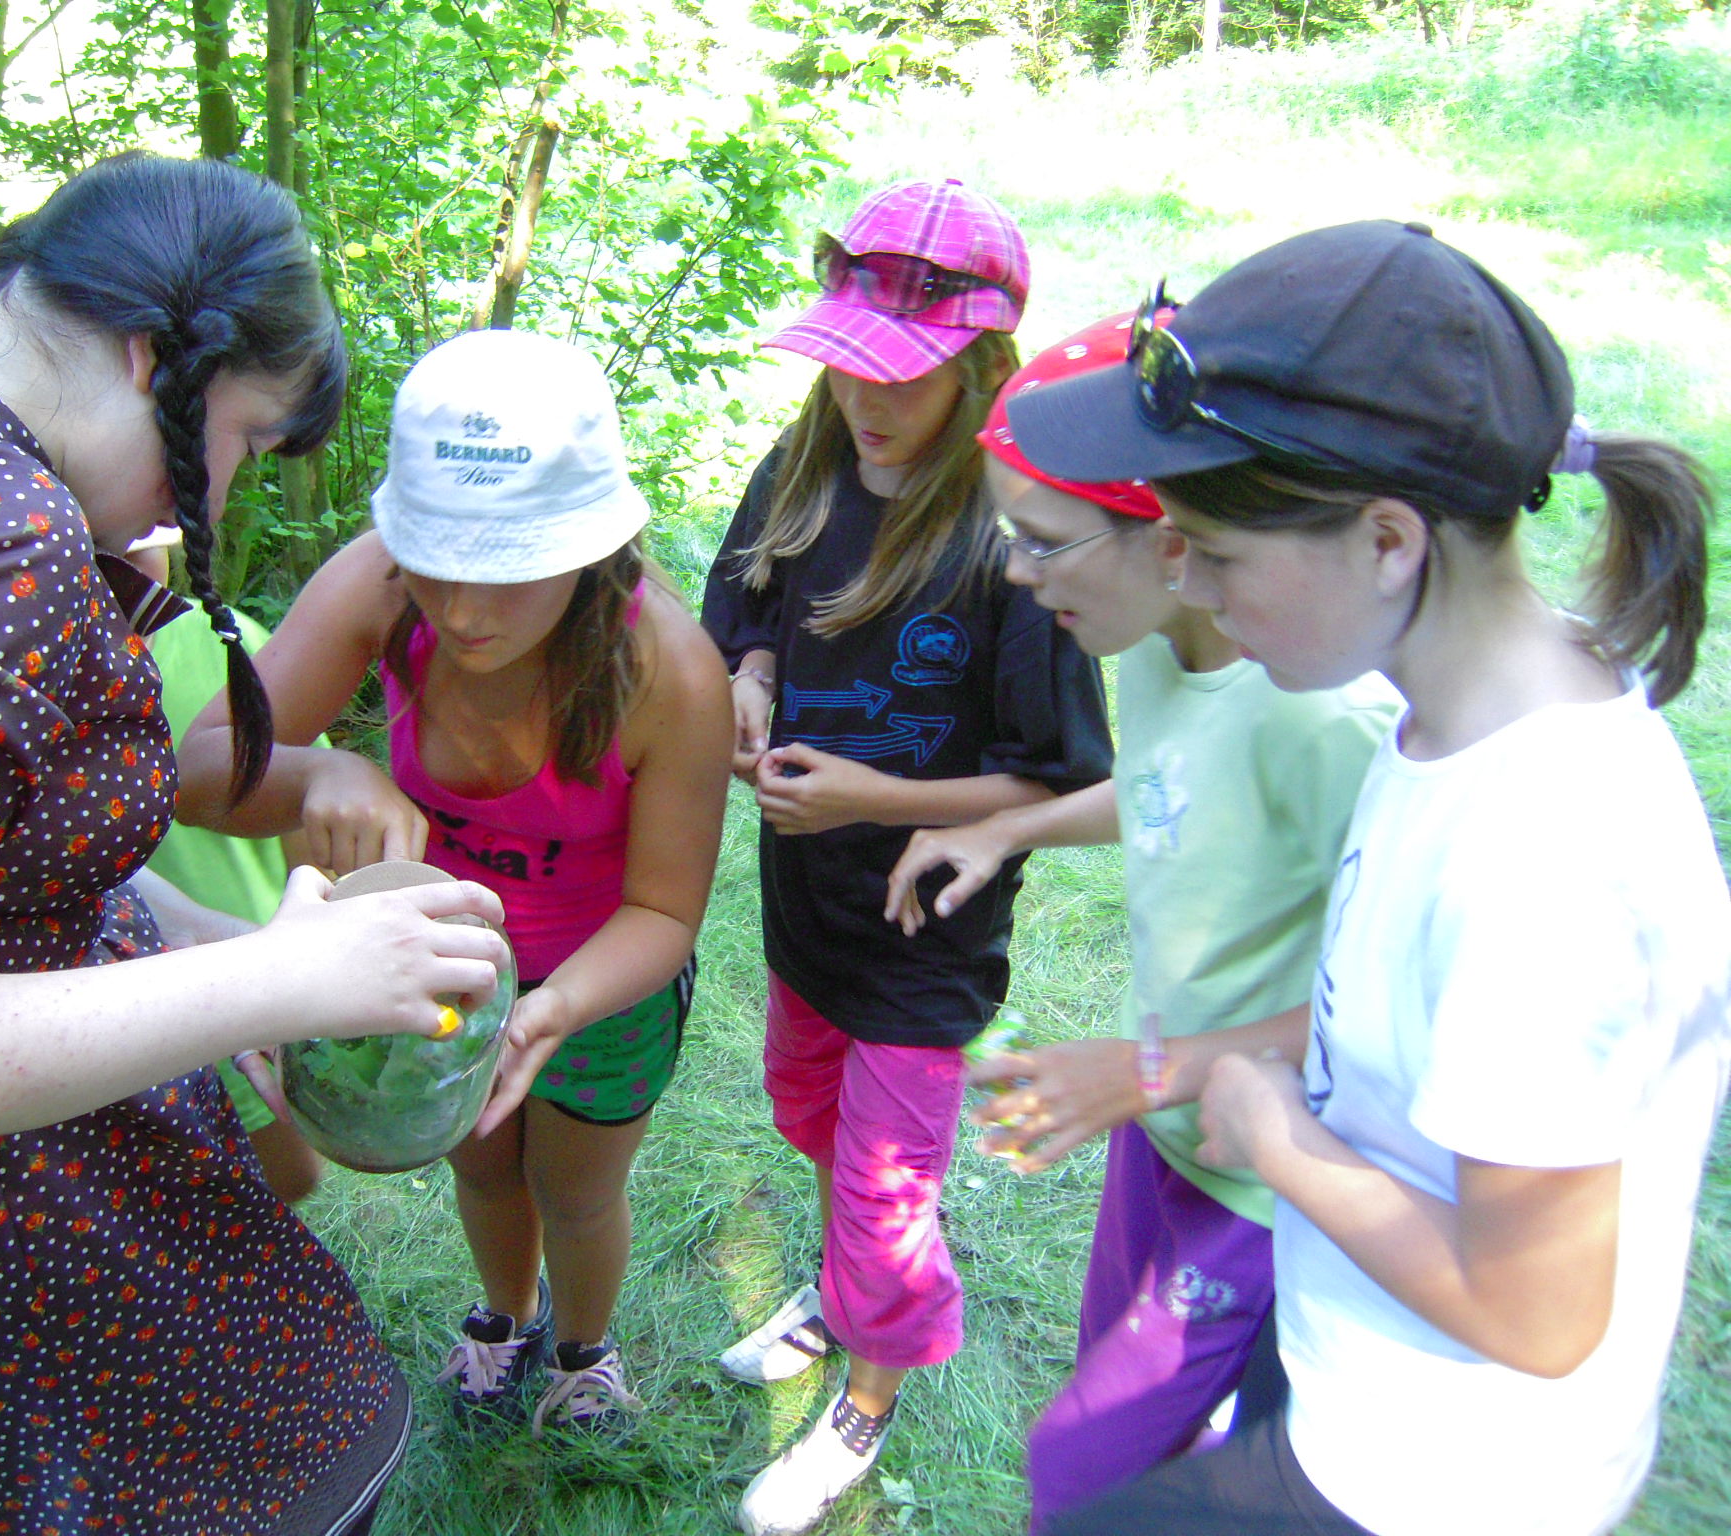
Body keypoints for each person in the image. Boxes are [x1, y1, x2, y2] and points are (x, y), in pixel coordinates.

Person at [0, 153, 511, 1536]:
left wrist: (222, 950)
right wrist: (273, 982)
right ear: (151, 358)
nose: (204, 507)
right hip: (9, 1215)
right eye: (241, 439)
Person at [1003, 220, 1729, 1536]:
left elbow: (1537, 1314)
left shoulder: (1543, 868)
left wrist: (1278, 1137)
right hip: (1349, 1370)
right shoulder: (1455, 704)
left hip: (1435, 1478)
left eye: (1218, 555)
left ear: (1389, 541)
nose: (1194, 591)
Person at [882, 313, 1398, 1528]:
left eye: (1042, 543)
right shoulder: (1160, 640)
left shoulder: (1321, 721)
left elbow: (1386, 1004)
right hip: (1155, 1132)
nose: (1018, 575)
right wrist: (1009, 827)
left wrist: (1145, 1068)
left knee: (1078, 1471)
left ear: (1169, 541)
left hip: (1267, 1178)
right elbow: (1170, 786)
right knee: (1105, 1398)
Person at [176, 327, 732, 1432]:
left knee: (578, 1190)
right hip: (445, 965)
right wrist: (320, 770)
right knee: (480, 1170)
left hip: (603, 984)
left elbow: (664, 910)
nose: (465, 612)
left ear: (590, 549)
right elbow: (194, 775)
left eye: (509, 573)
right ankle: (504, 1315)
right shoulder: (379, 586)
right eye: (437, 562)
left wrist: (553, 1010)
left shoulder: (670, 672)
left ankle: (581, 1348)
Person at [700, 178, 1113, 1536]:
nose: (866, 399)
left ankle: (867, 1398)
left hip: (925, 931)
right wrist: (751, 676)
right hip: (807, 906)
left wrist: (871, 794)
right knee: (810, 1117)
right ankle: (843, 1295)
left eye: (905, 375)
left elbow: (1060, 777)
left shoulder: (1009, 535)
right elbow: (744, 603)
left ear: (981, 362)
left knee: (887, 1195)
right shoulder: (805, 464)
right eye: (848, 365)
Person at [128, 534, 326, 1204]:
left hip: (257, 980)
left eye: (141, 545)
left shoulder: (226, 641)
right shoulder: (25, 679)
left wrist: (322, 926)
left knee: (288, 1174)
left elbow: (301, 809)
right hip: (122, 1003)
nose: (122, 567)